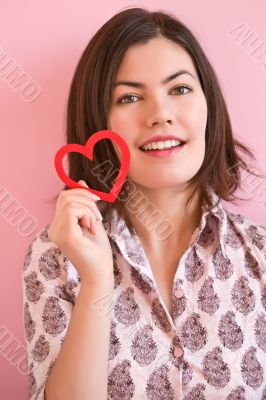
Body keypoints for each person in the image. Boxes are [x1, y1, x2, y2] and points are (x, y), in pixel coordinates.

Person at [22, 7, 266, 400]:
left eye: (180, 89)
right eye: (130, 97)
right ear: (98, 122)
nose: (160, 114)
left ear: (209, 105)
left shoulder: (259, 254)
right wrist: (97, 281)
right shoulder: (53, 257)